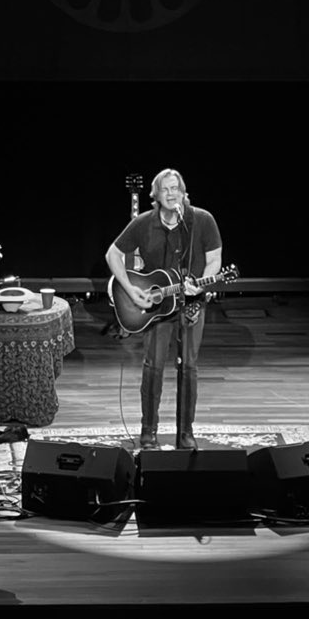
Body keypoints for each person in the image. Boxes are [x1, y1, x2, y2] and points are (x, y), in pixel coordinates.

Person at [105, 168, 222, 450]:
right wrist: (130, 288)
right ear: (155, 195)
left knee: (189, 368)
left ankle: (186, 432)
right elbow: (113, 254)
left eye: (176, 189)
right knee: (153, 367)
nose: (171, 195)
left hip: (190, 305)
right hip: (157, 310)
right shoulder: (144, 223)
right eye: (165, 190)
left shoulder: (202, 220)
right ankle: (148, 431)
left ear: (184, 192)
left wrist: (201, 286)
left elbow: (214, 260)